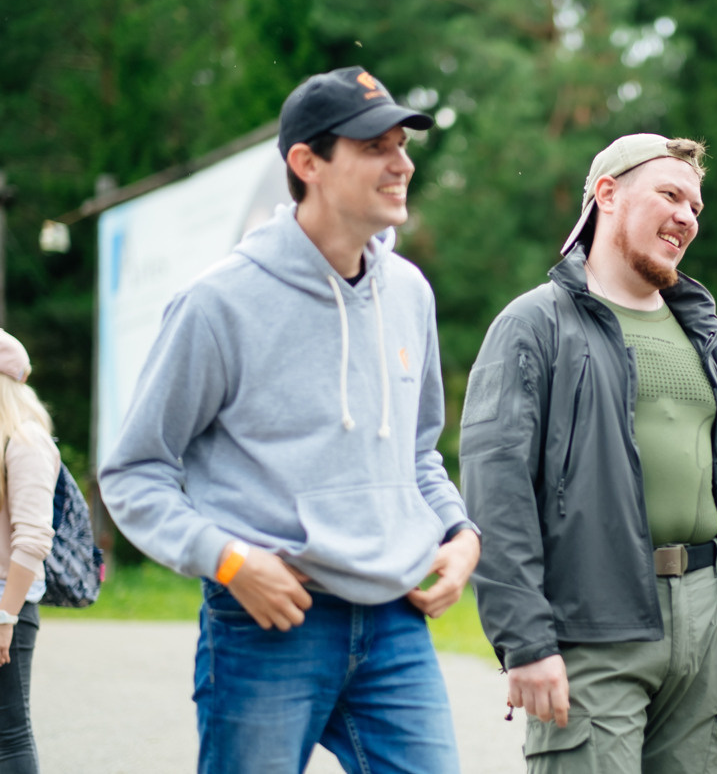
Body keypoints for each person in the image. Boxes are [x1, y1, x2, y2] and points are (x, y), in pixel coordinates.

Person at [100, 66, 480, 774]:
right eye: (375, 146)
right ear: (306, 163)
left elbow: (419, 452)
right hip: (269, 619)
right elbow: (135, 471)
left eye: (403, 144)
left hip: (396, 619)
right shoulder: (219, 303)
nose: (402, 163)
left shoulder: (409, 293)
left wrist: (458, 531)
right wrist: (229, 560)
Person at [459, 133, 717, 773]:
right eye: (670, 195)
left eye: (696, 206)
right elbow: (496, 493)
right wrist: (524, 639)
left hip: (705, 620)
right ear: (607, 194)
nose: (688, 217)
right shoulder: (535, 325)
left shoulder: (704, 339)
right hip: (591, 620)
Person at [0, 331, 58, 774]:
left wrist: (6, 618)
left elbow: (33, 539)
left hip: (7, 604)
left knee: (9, 736)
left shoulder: (26, 442)